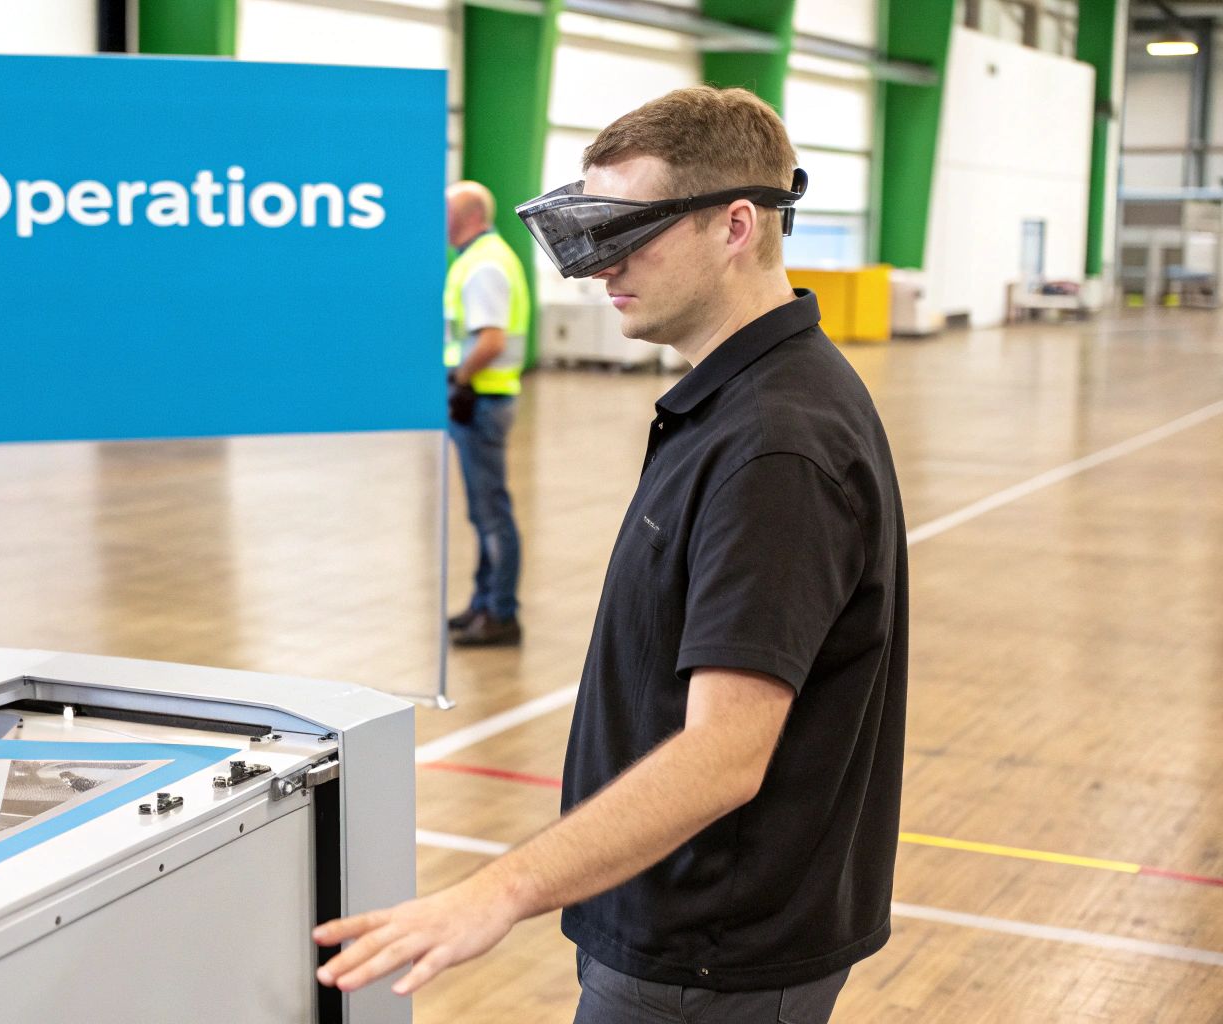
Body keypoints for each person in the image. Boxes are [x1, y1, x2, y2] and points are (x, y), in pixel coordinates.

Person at [313, 86, 907, 1024]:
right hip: (684, 922)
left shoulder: (775, 444)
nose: (601, 267)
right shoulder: (740, 400)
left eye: (629, 231)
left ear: (736, 226)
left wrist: (498, 890)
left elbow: (723, 755)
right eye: (592, 231)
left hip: (709, 954)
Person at [442, 181, 531, 647]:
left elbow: (490, 340)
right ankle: (483, 603)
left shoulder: (484, 265)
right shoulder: (479, 258)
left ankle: (500, 612)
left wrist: (458, 379)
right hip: (484, 399)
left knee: (491, 514)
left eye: (447, 212)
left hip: (482, 401)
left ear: (471, 215)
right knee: (484, 513)